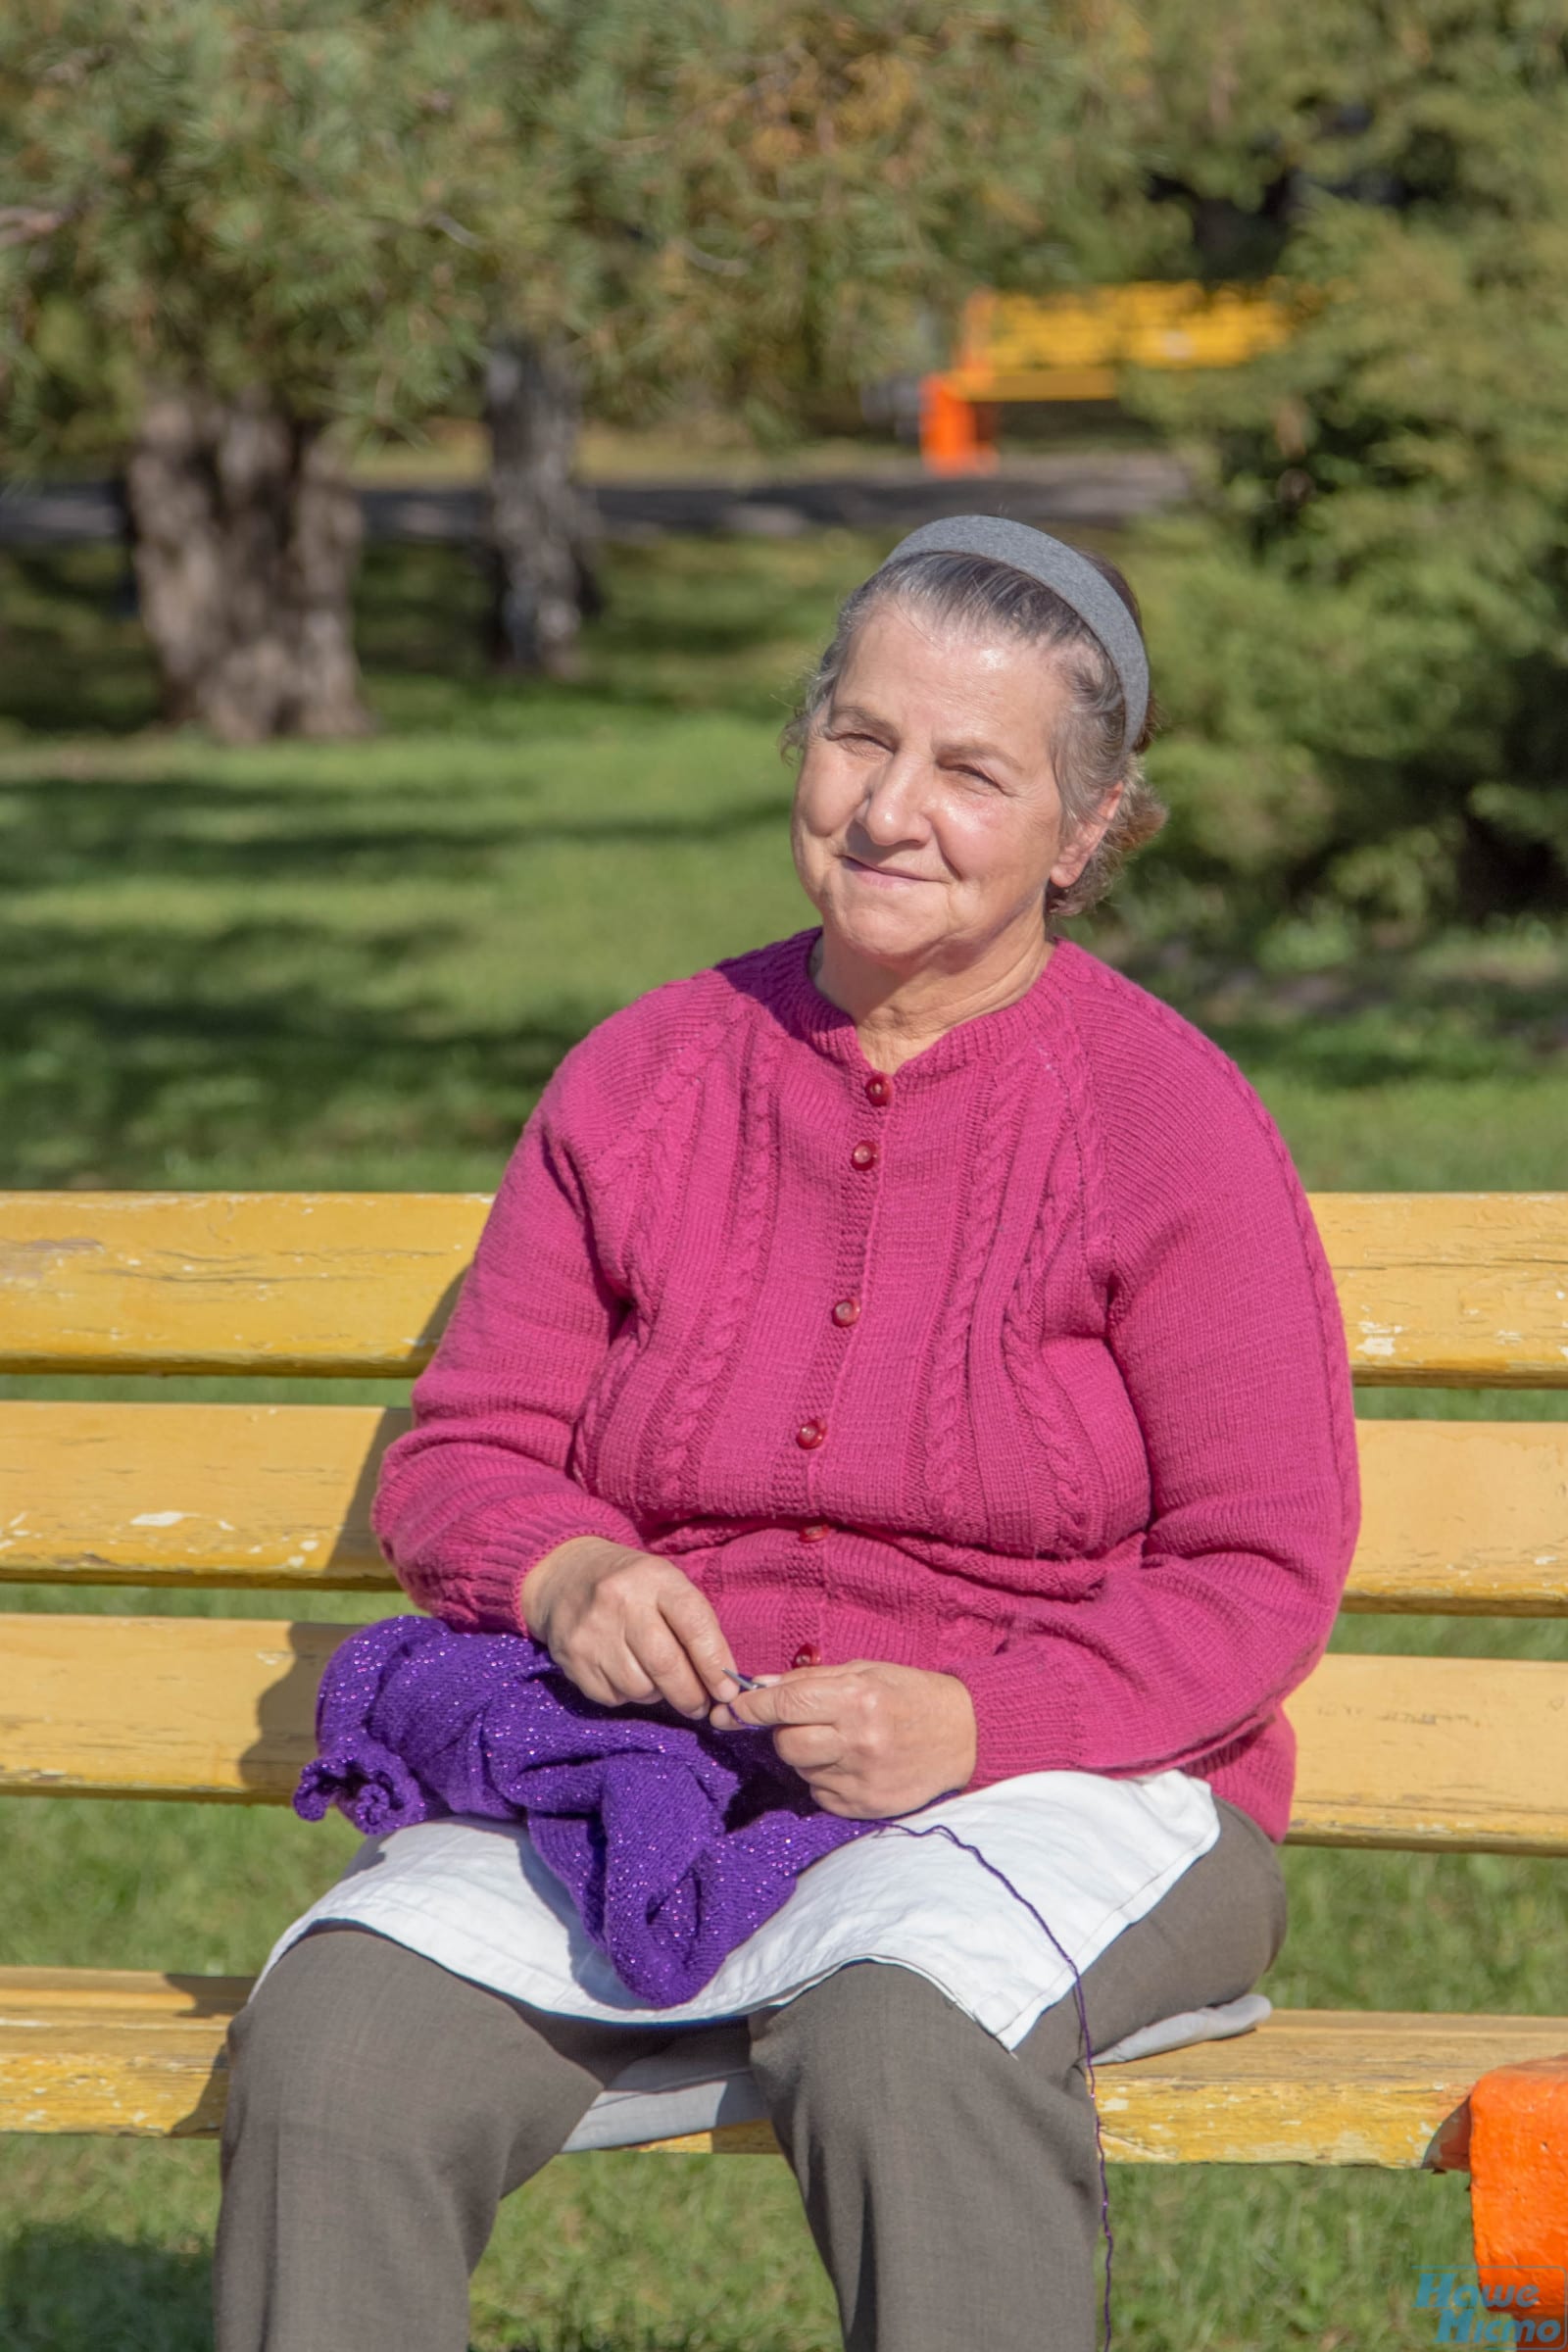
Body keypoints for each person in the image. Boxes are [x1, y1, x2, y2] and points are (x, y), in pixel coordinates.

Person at [215, 516, 1360, 2352]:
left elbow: (1261, 1574)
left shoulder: (1168, 1123)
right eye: (859, 735)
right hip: (662, 1768)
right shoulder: (648, 1071)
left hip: (1080, 1782)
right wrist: (569, 1569)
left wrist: (982, 1720)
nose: (893, 806)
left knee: (900, 2031)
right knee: (341, 2047)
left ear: (1085, 834)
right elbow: (465, 1453)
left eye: (974, 771)